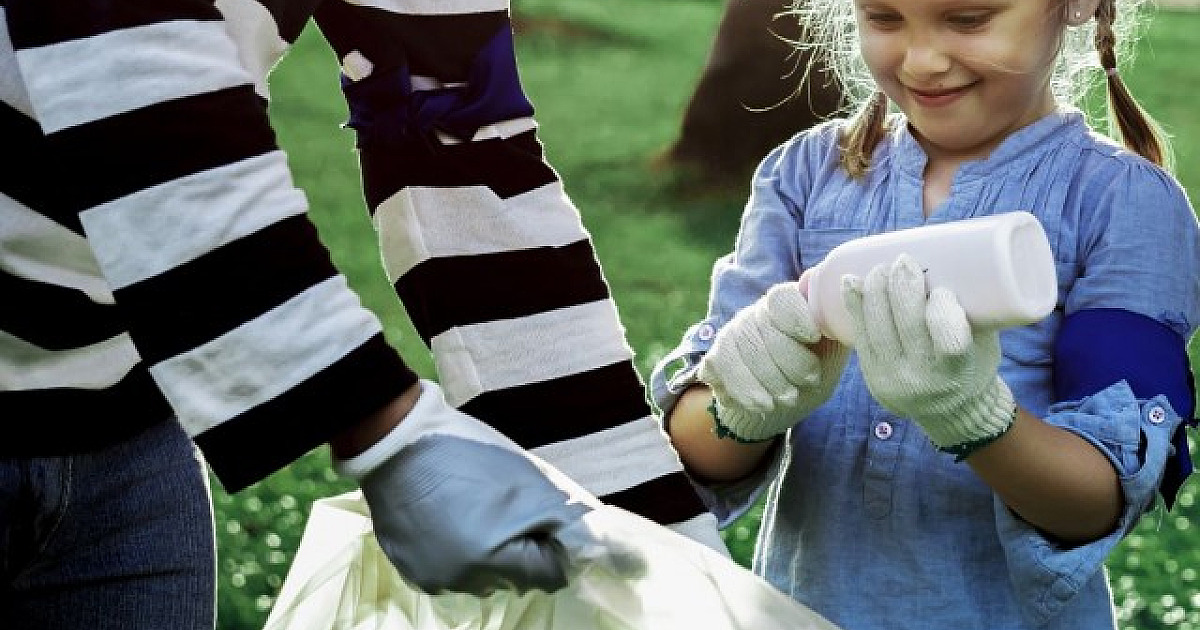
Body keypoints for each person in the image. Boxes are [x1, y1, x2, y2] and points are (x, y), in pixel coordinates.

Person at [0, 0, 722, 627]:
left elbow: (459, 140)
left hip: (123, 424)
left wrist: (668, 558)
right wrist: (385, 430)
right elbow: (123, 53)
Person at [649, 0, 1200, 627]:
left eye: (968, 20)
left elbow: (1099, 498)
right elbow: (692, 450)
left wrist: (972, 415)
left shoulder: (1123, 206)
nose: (921, 61)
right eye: (883, 18)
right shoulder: (802, 177)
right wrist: (742, 405)